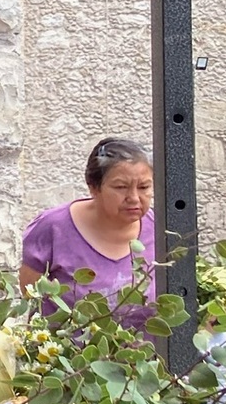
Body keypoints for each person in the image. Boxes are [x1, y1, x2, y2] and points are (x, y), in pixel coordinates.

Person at [19, 137, 158, 319]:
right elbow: (27, 294)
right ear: (94, 188)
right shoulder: (52, 228)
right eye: (121, 187)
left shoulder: (161, 229)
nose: (134, 197)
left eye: (144, 187)